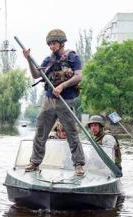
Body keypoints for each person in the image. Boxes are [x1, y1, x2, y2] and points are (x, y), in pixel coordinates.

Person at [22, 29, 85, 176]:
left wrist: (62, 85)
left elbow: (78, 77)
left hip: (65, 100)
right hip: (49, 100)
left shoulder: (72, 57)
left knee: (71, 133)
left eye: (54, 43)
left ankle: (79, 164)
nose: (52, 47)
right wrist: (28, 59)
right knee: (40, 132)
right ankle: (35, 162)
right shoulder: (48, 60)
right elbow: (36, 74)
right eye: (50, 44)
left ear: (62, 43)